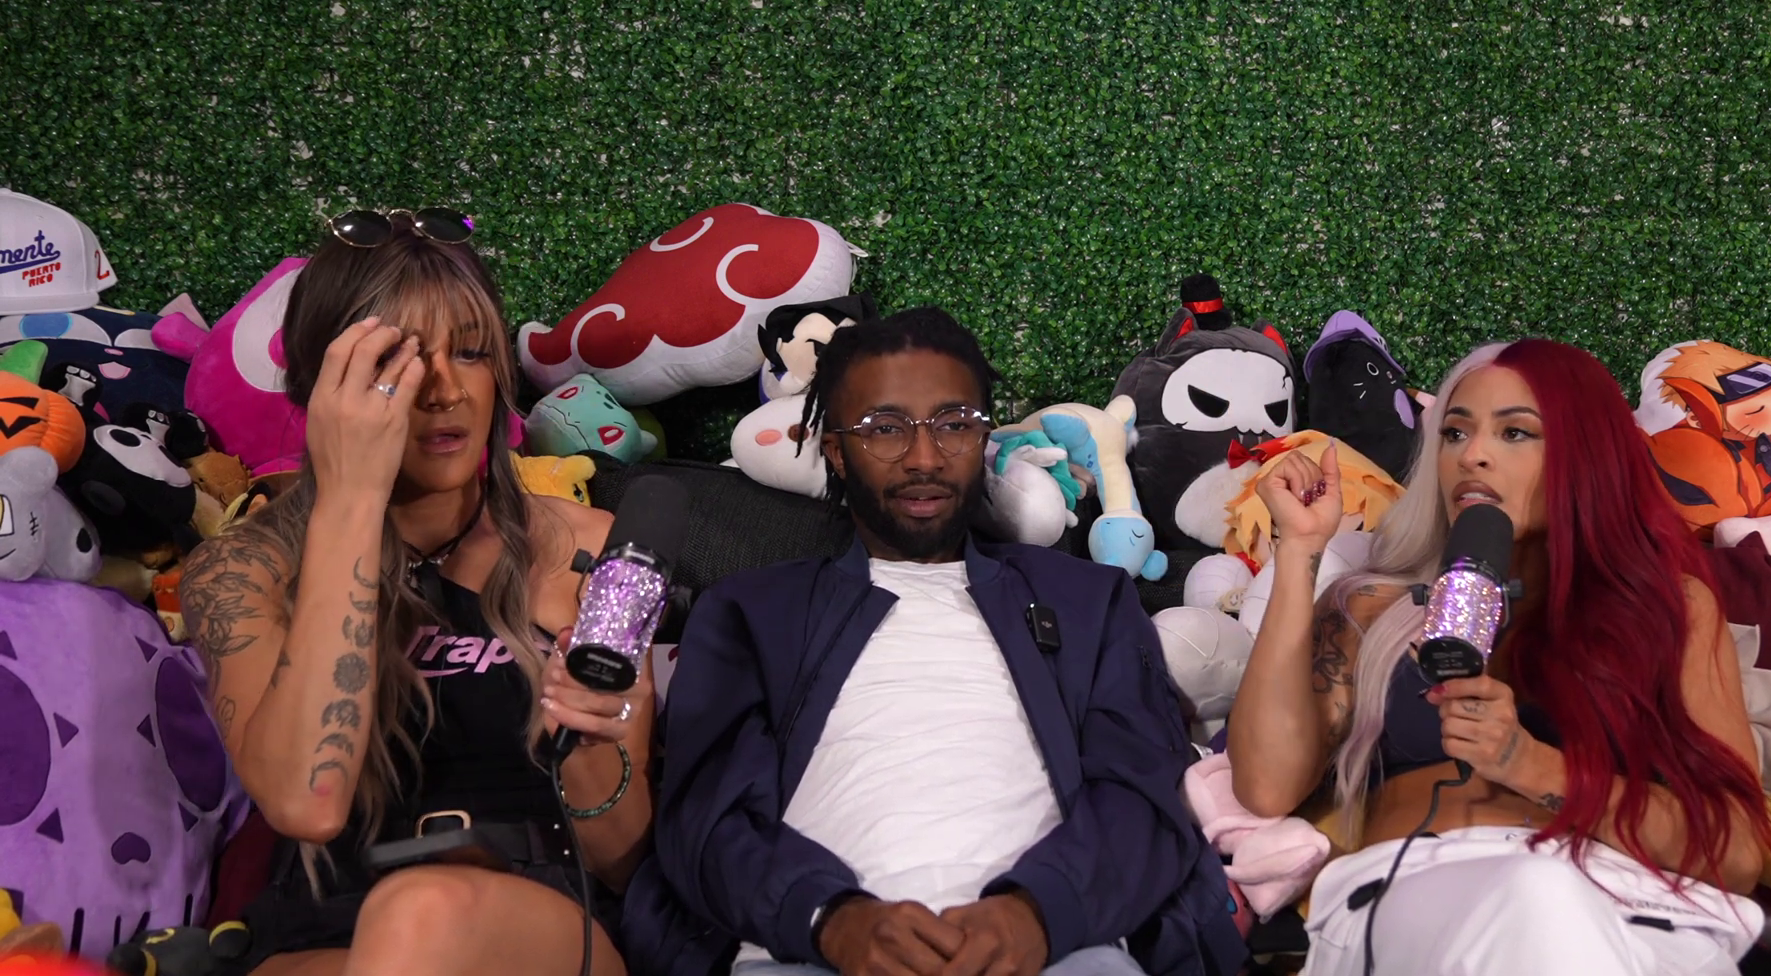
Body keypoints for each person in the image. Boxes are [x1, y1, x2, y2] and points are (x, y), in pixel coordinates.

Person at [621, 307, 1245, 976]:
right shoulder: (751, 611)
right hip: (807, 952)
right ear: (835, 449)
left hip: (1061, 949)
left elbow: (1142, 792)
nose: (924, 458)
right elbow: (707, 817)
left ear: (984, 437)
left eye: (954, 423)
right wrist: (828, 919)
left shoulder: (1087, 600)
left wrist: (1039, 913)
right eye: (884, 428)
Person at [180, 209, 648, 975]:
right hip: (320, 928)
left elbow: (622, 859)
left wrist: (588, 740)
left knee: (418, 913)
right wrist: (351, 501)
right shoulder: (242, 570)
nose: (444, 391)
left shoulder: (585, 550)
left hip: (542, 919)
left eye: (470, 351)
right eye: (394, 363)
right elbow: (304, 803)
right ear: (322, 386)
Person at [1227, 338, 1771, 976]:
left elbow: (1738, 852)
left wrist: (1527, 762)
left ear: (1586, 456)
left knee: (1546, 896)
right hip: (1414, 899)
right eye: (1455, 433)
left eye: (1515, 433)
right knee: (1536, 896)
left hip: (1621, 902)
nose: (1472, 456)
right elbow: (1265, 787)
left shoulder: (1670, 611)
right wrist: (1299, 549)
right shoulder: (1372, 607)